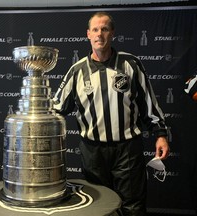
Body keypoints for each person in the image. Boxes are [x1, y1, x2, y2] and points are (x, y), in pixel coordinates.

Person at [53, 11, 170, 216]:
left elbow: (149, 104)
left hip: (127, 150)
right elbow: (57, 109)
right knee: (97, 206)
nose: (100, 34)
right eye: (96, 30)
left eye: (105, 29)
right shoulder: (77, 71)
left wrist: (160, 134)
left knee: (132, 206)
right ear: (88, 34)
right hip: (93, 152)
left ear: (112, 33)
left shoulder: (130, 64)